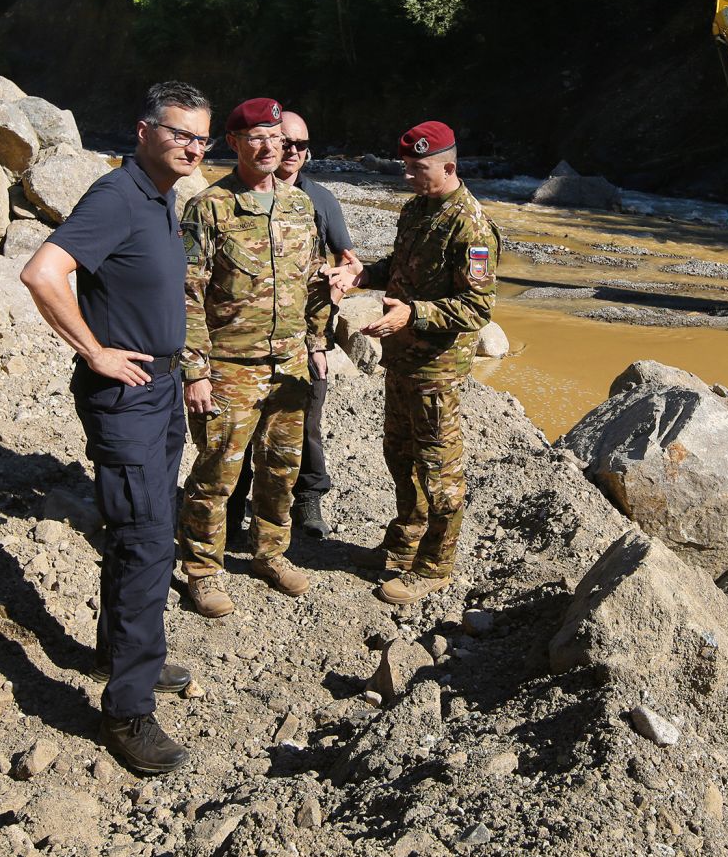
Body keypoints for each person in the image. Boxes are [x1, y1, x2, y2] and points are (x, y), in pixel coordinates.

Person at [19, 81, 208, 775]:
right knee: (148, 540)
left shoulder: (161, 200)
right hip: (124, 396)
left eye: (201, 138)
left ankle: (117, 652)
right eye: (180, 133)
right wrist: (93, 349)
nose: (192, 147)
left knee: (140, 534)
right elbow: (42, 273)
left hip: (157, 390)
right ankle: (127, 711)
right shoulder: (117, 197)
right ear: (143, 131)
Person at [178, 97, 334, 616]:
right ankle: (201, 569)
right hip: (228, 367)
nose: (270, 147)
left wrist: (316, 344)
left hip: (289, 364)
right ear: (235, 144)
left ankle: (270, 553)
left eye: (277, 137)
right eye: (257, 138)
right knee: (218, 472)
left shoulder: (300, 205)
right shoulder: (210, 207)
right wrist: (195, 371)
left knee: (281, 468)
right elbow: (188, 294)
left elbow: (315, 282)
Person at [353, 120, 500, 606]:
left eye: (418, 169)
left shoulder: (471, 225)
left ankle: (436, 566)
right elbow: (400, 267)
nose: (408, 177)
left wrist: (413, 313)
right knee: (399, 455)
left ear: (449, 167)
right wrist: (361, 275)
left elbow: (478, 308)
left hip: (436, 367)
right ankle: (405, 542)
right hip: (402, 361)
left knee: (439, 470)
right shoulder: (417, 209)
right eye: (407, 168)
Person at [227, 110, 364, 539]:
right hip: (243, 345)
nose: (291, 152)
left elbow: (347, 262)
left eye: (301, 145)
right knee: (239, 435)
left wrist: (321, 339)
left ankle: (306, 502)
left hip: (305, 340)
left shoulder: (317, 201)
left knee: (303, 427)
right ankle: (231, 512)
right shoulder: (227, 199)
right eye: (284, 142)